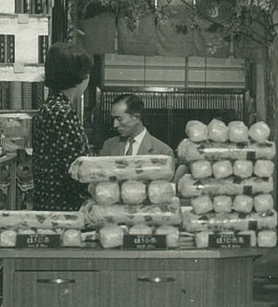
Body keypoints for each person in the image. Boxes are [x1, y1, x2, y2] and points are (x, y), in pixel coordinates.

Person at [30, 41, 94, 211]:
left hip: (48, 202)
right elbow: (75, 167)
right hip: (64, 208)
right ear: (82, 77)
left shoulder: (50, 106)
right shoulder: (62, 112)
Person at [99, 93, 175, 158]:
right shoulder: (108, 146)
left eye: (119, 119)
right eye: (113, 119)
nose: (115, 125)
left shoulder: (163, 152)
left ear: (136, 118)